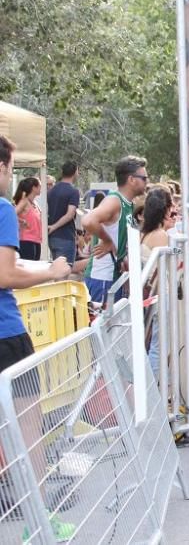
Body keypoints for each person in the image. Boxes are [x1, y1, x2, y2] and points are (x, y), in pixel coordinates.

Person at [0, 136, 75, 541]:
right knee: (29, 433)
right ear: (2, 167)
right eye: (11, 169)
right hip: (5, 335)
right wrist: (52, 272)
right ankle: (38, 524)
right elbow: (4, 275)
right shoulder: (1, 209)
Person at [82, 156, 148, 306]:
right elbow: (88, 220)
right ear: (131, 179)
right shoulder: (114, 201)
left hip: (115, 278)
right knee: (103, 327)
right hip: (103, 279)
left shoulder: (127, 204)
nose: (147, 182)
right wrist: (107, 240)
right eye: (144, 178)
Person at [140, 186, 175, 378]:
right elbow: (166, 268)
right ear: (166, 209)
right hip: (162, 295)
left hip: (151, 296)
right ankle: (154, 392)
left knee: (154, 345)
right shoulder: (161, 236)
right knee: (159, 347)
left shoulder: (143, 234)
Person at [47, 161, 80, 263]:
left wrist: (51, 227)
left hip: (52, 237)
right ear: (75, 172)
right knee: (64, 270)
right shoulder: (73, 191)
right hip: (65, 236)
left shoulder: (51, 191)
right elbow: (70, 214)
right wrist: (54, 226)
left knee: (57, 270)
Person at [13, 177, 43, 261]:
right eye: (39, 186)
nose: (41, 188)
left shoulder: (35, 203)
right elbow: (11, 214)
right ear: (34, 188)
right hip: (26, 241)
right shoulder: (24, 201)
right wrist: (21, 221)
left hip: (36, 241)